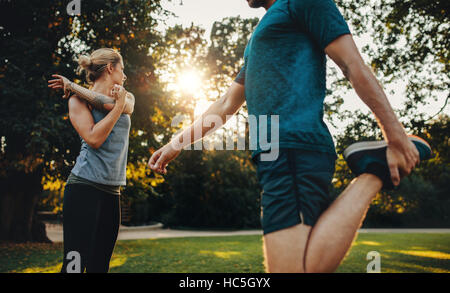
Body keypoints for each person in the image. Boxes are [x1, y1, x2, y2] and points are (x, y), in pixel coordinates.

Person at [148, 0, 432, 273]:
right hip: (276, 156)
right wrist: (177, 144)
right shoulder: (264, 33)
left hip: (293, 149)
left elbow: (351, 64)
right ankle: (373, 169)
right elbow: (226, 105)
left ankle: (373, 172)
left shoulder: (303, 2)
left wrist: (396, 135)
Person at [48, 48, 135, 273]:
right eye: (122, 69)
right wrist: (117, 108)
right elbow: (94, 138)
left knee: (100, 267)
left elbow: (115, 105)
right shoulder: (77, 101)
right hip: (84, 188)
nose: (125, 76)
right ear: (110, 68)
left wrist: (73, 85)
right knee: (74, 266)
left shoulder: (126, 97)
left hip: (112, 192)